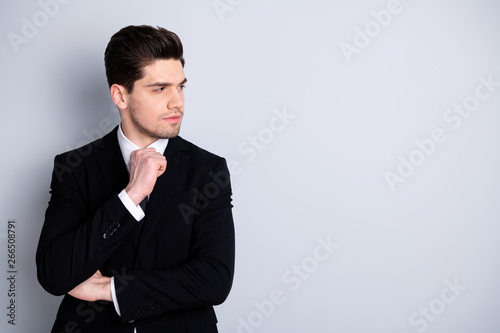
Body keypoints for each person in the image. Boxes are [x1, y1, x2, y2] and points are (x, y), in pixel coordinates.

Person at [36, 25, 235, 333]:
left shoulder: (208, 170)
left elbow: (214, 280)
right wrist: (129, 197)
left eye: (180, 87)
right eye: (160, 89)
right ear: (120, 96)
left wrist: (110, 289)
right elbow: (54, 273)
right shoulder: (75, 168)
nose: (177, 103)